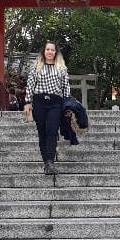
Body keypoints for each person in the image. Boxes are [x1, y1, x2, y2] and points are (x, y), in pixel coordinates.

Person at [23, 41, 71, 175]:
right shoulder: (36, 66)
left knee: (52, 130)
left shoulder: (61, 67)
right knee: (42, 132)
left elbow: (66, 86)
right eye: (47, 49)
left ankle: (50, 162)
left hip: (56, 102)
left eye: (52, 50)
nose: (50, 52)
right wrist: (28, 102)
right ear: (44, 52)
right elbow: (30, 84)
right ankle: (46, 163)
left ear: (56, 52)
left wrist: (67, 103)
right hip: (39, 102)